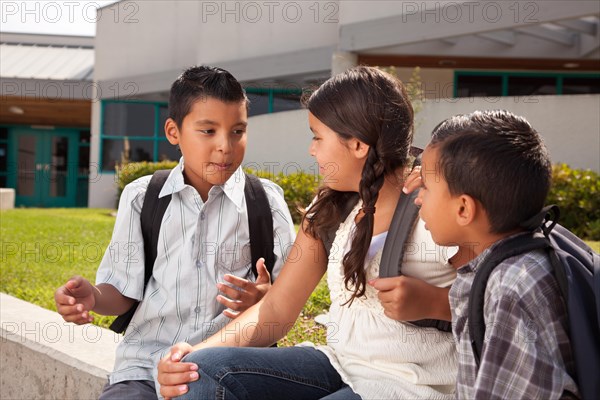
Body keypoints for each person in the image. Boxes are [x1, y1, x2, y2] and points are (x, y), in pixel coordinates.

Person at [157, 66, 458, 400]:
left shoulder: (437, 204)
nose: (312, 150)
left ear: (357, 144)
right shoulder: (331, 205)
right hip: (339, 364)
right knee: (201, 371)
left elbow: (502, 303)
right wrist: (193, 352)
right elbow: (276, 310)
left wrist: (437, 303)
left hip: (411, 384)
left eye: (317, 137)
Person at [54, 66, 296, 399]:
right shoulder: (143, 197)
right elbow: (124, 290)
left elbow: (287, 303)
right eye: (208, 131)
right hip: (144, 368)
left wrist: (261, 300)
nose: (225, 145)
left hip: (227, 367)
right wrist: (94, 297)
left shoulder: (265, 201)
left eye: (237, 131)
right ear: (173, 132)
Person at [414, 110, 579, 399]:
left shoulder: (509, 286)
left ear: (464, 209)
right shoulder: (513, 260)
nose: (418, 198)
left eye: (426, 187)